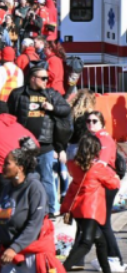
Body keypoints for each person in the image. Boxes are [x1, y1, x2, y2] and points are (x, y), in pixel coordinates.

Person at [61, 136, 123, 273]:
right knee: (86, 242)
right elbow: (114, 183)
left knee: (100, 242)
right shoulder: (97, 168)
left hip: (78, 208)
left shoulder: (73, 165)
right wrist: (111, 171)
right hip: (91, 209)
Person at [7, 67, 71, 217]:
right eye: (43, 78)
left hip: (45, 146)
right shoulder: (18, 94)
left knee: (46, 179)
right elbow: (10, 115)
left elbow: (66, 109)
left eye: (47, 78)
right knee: (23, 179)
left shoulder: (51, 94)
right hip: (23, 146)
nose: (46, 81)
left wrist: (52, 107)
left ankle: (50, 211)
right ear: (33, 78)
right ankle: (25, 210)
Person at [0, 142, 48, 273]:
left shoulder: (35, 189)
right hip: (9, 256)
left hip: (30, 256)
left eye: (7, 163)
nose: (3, 166)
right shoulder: (6, 189)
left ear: (20, 168)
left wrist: (15, 248)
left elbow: (34, 225)